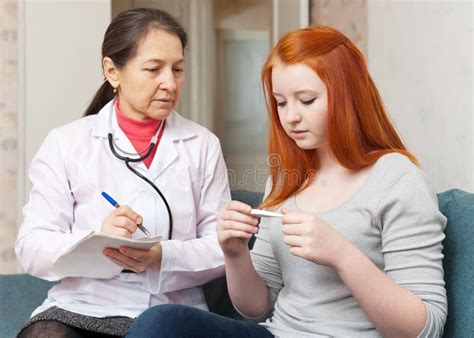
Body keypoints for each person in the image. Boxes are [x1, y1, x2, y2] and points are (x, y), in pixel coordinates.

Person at [125, 26, 447, 337]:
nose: (290, 116)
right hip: (277, 333)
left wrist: (341, 254)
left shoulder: (397, 179)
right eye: (281, 102)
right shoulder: (285, 179)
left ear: (348, 97)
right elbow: (258, 309)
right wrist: (235, 254)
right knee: (160, 322)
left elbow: (424, 329)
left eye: (306, 100)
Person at [15, 8, 230, 338]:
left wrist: (163, 256)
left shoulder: (202, 145)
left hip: (169, 310)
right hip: (84, 306)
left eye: (178, 69)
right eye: (154, 69)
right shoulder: (67, 143)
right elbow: (31, 248)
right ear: (112, 71)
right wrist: (96, 239)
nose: (169, 83)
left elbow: (222, 248)